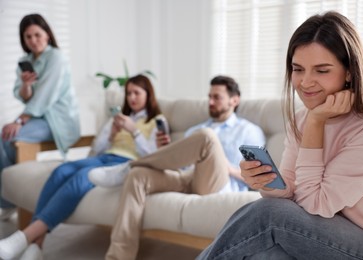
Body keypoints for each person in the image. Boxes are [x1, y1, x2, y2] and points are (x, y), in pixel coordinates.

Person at [197, 11, 363, 260]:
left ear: (350, 72)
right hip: (328, 232)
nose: (305, 82)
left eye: (322, 70)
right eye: (298, 69)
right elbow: (292, 190)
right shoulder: (303, 117)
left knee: (268, 214)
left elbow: (314, 204)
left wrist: (315, 123)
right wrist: (265, 182)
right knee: (265, 253)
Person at [0, 74, 166, 260]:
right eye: (128, 93)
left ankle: (24, 238)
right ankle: (36, 245)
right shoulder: (118, 118)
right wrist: (111, 135)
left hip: (125, 163)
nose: (132, 98)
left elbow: (154, 156)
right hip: (104, 157)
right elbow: (95, 151)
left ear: (148, 94)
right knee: (61, 171)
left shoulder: (157, 121)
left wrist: (134, 131)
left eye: (136, 93)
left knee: (82, 178)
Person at [102, 75, 266, 260]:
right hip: (186, 176)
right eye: (209, 96)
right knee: (138, 176)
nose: (210, 102)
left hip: (219, 183)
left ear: (234, 100)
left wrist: (226, 167)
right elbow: (180, 163)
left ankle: (130, 164)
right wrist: (164, 149)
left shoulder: (249, 131)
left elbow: (258, 176)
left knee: (207, 137)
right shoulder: (195, 129)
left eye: (217, 97)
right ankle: (118, 257)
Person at [0, 13, 80, 221]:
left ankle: (12, 199)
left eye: (37, 34)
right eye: (28, 37)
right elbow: (22, 95)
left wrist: (19, 121)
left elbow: (46, 95)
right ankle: (12, 199)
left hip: (58, 119)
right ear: (23, 39)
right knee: (4, 139)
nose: (33, 41)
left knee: (8, 137)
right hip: (37, 116)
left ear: (47, 34)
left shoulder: (57, 58)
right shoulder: (25, 61)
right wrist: (26, 84)